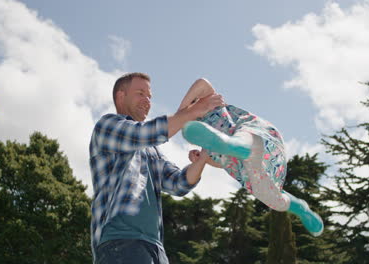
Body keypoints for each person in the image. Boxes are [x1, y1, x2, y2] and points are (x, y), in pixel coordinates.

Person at [89, 72, 225, 264]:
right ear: (121, 96)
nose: (147, 100)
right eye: (140, 93)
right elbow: (146, 133)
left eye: (149, 96)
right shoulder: (107, 126)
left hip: (154, 247)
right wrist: (194, 110)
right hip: (120, 242)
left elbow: (178, 183)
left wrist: (202, 158)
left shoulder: (151, 150)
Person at [180, 78, 324, 236]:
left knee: (244, 139)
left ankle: (237, 146)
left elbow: (202, 83)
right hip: (250, 167)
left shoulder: (212, 103)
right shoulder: (206, 141)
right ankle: (300, 208)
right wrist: (203, 159)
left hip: (258, 137)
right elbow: (223, 163)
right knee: (274, 200)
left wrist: (182, 113)